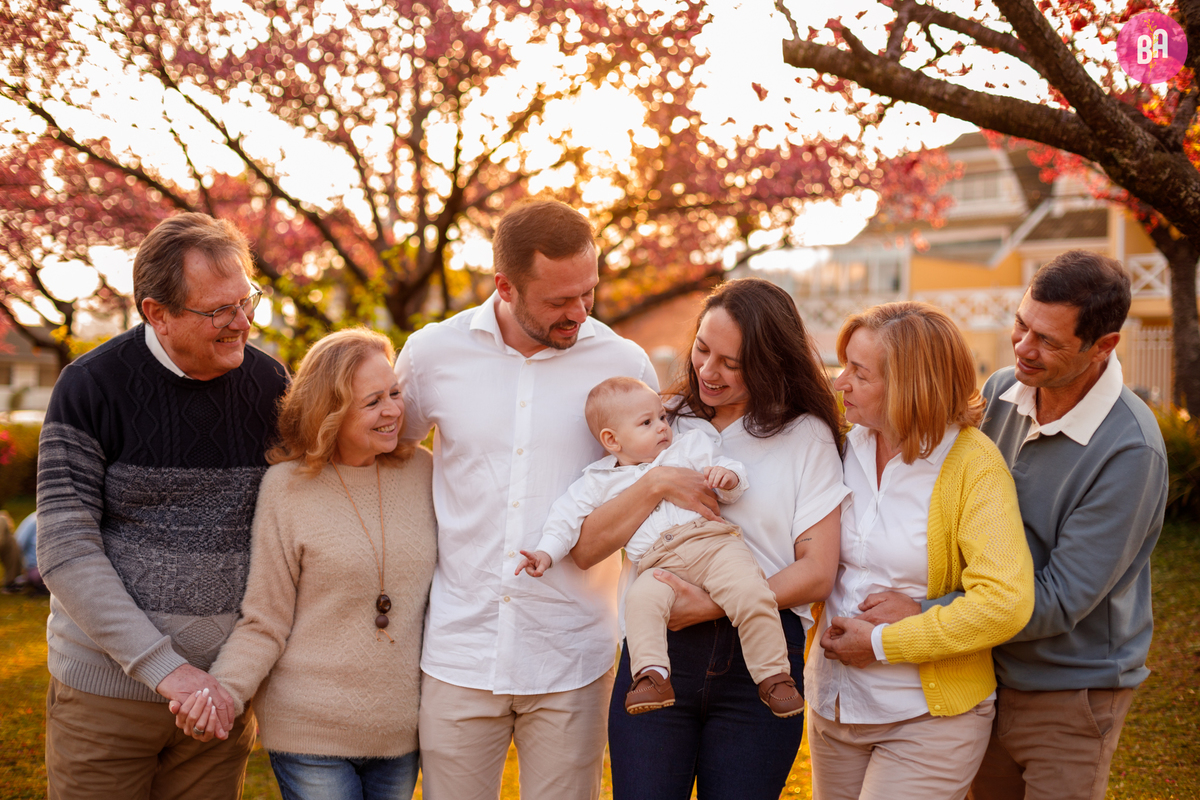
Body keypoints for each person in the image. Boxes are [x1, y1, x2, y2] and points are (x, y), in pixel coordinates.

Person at [393, 199, 657, 800]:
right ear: (505, 286)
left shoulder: (624, 365)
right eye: (559, 300)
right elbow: (387, 456)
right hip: (459, 650)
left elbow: (651, 484)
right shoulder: (432, 353)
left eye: (587, 292)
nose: (579, 312)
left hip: (573, 655)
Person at [36, 212, 289, 800]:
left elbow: (292, 520)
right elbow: (65, 547)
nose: (241, 322)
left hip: (219, 700)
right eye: (217, 311)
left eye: (246, 300)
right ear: (157, 313)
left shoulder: (270, 384)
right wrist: (166, 671)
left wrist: (226, 680)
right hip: (106, 695)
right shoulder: (91, 385)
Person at [572, 278, 849, 800]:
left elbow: (817, 570)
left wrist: (713, 604)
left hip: (761, 662)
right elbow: (587, 548)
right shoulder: (655, 421)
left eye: (732, 362)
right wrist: (654, 482)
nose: (708, 370)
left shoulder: (805, 435)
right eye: (702, 348)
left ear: (771, 361)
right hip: (659, 652)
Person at [173, 328, 437, 800]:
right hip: (309, 730)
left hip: (401, 729)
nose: (394, 410)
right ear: (332, 412)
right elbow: (265, 618)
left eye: (395, 392)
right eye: (373, 401)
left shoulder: (424, 472)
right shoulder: (286, 487)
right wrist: (226, 694)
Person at [807, 301, 1035, 800]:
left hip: (927, 717)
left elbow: (1005, 602)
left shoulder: (972, 465)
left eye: (859, 372)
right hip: (834, 704)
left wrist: (885, 643)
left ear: (909, 386)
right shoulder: (845, 446)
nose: (840, 381)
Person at [965, 251, 1168, 800]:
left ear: (1103, 346)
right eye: (1020, 325)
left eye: (1048, 341)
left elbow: (1058, 601)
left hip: (1071, 693)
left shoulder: (1131, 450)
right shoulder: (1000, 392)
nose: (1023, 348)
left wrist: (922, 620)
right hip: (981, 674)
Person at [518, 377, 802, 718]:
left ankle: (774, 676)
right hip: (657, 563)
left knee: (750, 591)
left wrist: (728, 478)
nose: (662, 428)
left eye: (662, 418)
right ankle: (652, 676)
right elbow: (564, 520)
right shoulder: (597, 481)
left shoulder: (688, 448)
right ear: (612, 439)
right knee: (639, 602)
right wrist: (545, 553)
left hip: (712, 545)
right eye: (647, 423)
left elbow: (728, 470)